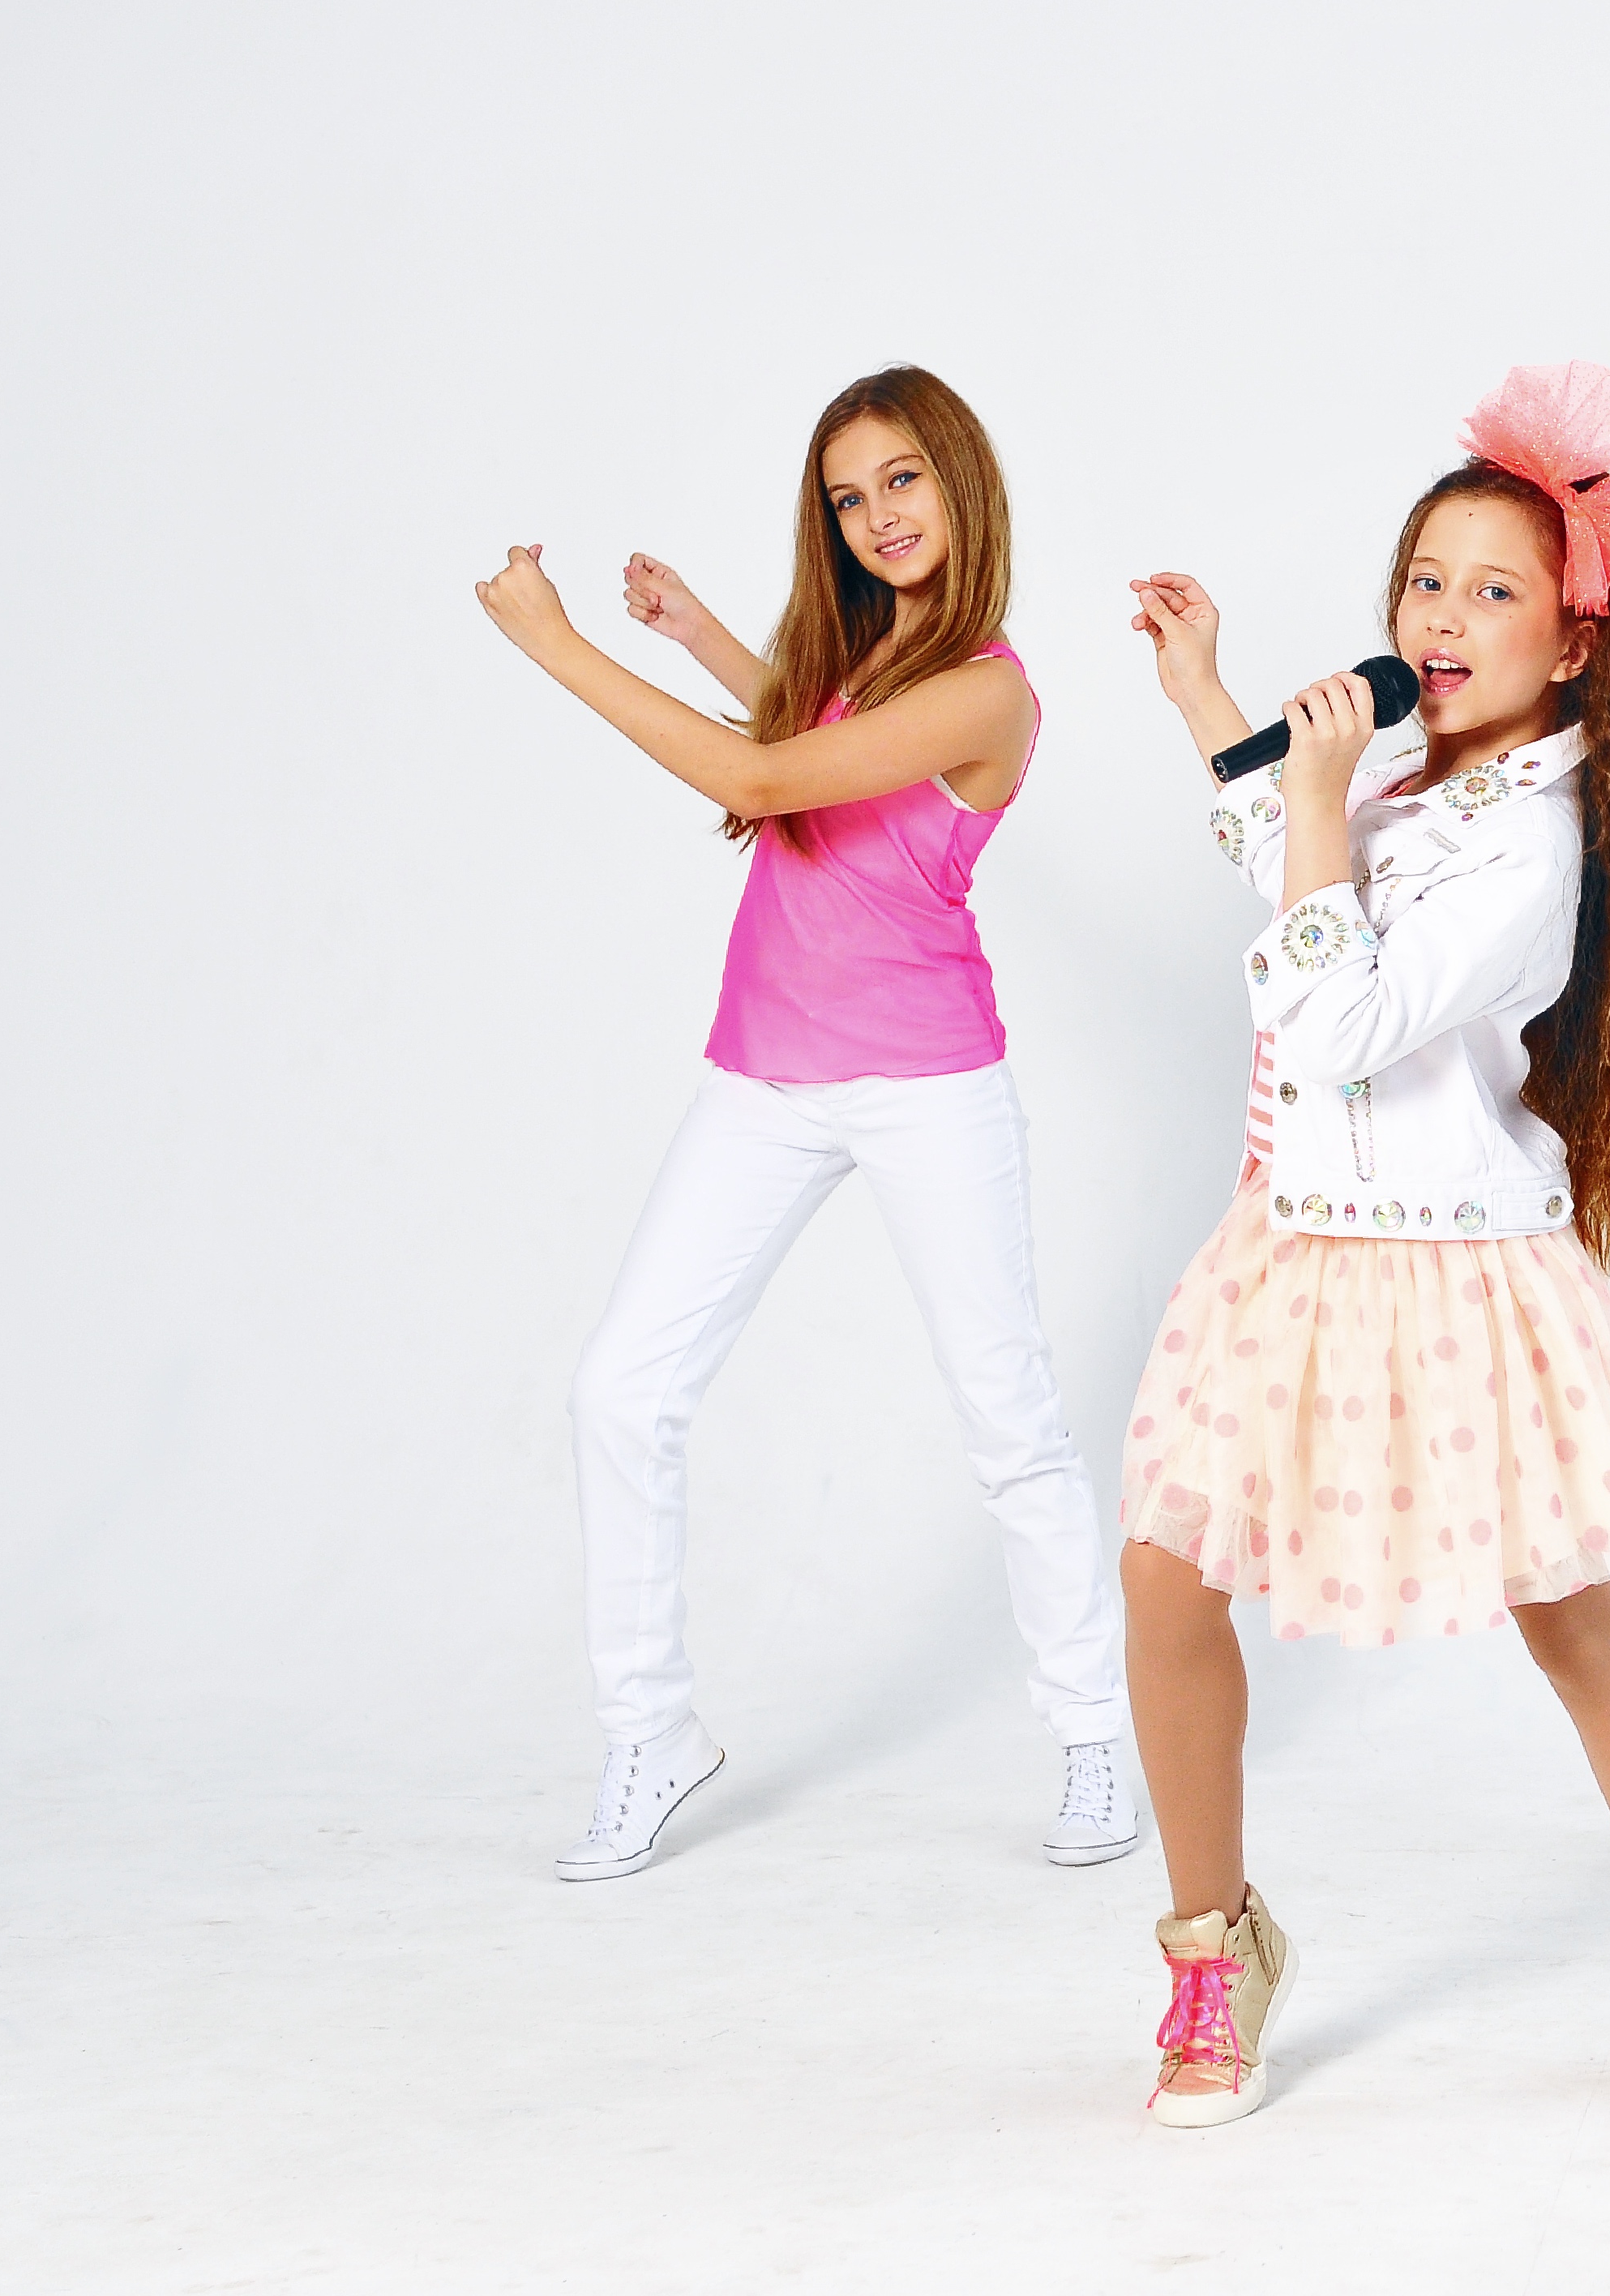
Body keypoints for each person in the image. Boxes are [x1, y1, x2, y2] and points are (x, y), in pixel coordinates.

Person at [1112, 362, 1610, 2127]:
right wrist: (1208, 697)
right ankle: (1213, 1946)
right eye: (1426, 580)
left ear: (1572, 643)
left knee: (1570, 1619)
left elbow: (1340, 1015)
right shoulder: (1416, 799)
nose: (1441, 615)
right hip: (1293, 1251)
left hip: (1456, 1276)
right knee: (1166, 1573)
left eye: (1494, 590)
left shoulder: (1533, 847)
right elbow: (1292, 861)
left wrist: (1321, 794)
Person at [471, 366, 1133, 1881]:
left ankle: (1095, 1732)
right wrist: (706, 635)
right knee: (621, 1392)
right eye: (849, 497)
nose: (878, 514)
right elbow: (817, 727)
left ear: (961, 482)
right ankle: (649, 1732)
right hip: (763, 1077)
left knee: (1010, 1422)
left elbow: (770, 775)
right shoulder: (872, 655)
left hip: (925, 1086)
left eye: (903, 479)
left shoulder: (989, 688)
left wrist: (558, 647)